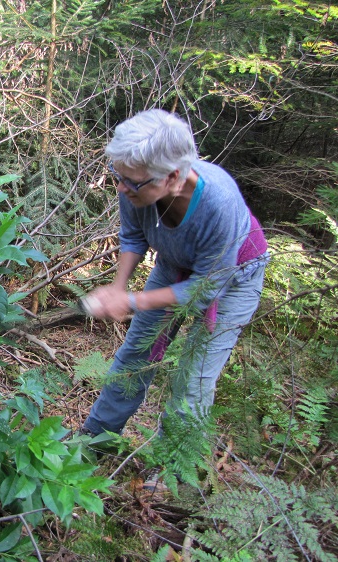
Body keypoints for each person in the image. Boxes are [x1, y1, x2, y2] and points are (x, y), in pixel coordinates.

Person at [80, 109, 269, 441]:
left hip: (233, 278)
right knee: (136, 353)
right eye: (117, 176)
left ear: (172, 177)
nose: (122, 187)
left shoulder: (218, 204)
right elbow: (134, 237)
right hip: (174, 264)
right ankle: (96, 438)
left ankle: (169, 463)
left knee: (193, 377)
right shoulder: (134, 185)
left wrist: (133, 300)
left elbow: (206, 288)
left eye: (132, 182)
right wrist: (118, 287)